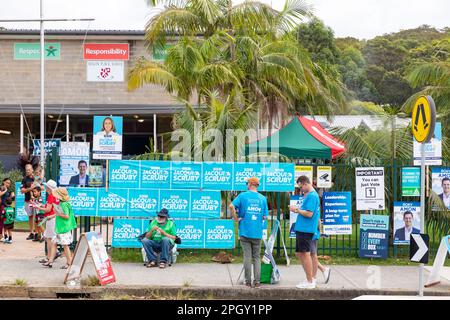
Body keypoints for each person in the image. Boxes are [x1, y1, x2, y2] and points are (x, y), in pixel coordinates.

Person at [229, 177, 268, 288]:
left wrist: (236, 218)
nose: (246, 185)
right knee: (256, 257)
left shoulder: (243, 196)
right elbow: (265, 216)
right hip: (257, 232)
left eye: (247, 183)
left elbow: (231, 206)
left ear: (250, 184)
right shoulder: (262, 198)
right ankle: (257, 282)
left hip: (245, 231)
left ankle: (247, 281)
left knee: (247, 256)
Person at [289, 175, 320, 289]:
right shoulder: (310, 195)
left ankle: (310, 281)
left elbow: (309, 214)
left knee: (305, 254)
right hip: (302, 228)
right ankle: (310, 278)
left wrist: (295, 210)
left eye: (301, 186)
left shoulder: (312, 196)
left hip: (306, 229)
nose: (300, 189)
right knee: (300, 253)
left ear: (305, 183)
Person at [43, 187, 76, 269]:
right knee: (54, 243)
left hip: (63, 228)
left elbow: (66, 216)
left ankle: (69, 263)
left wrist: (57, 213)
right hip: (60, 227)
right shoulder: (64, 203)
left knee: (65, 245)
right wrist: (54, 214)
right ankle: (50, 261)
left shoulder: (64, 204)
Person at [35, 180, 59, 265]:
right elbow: (51, 207)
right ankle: (49, 257)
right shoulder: (56, 195)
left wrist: (38, 207)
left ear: (49, 188)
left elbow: (48, 209)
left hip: (50, 218)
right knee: (49, 238)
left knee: (50, 239)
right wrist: (41, 206)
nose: (45, 188)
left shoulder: (51, 196)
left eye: (47, 187)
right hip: (53, 218)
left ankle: (51, 257)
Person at [20, 164, 36, 240]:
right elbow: (22, 190)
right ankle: (32, 233)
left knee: (37, 217)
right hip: (28, 201)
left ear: (32, 170)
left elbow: (42, 188)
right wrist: (30, 188)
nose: (28, 171)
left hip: (36, 201)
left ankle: (38, 233)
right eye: (26, 170)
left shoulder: (36, 178)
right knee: (30, 216)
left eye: (29, 170)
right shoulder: (24, 179)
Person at [0, 178, 15, 242]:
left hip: (7, 207)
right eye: (7, 182)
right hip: (2, 206)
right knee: (1, 221)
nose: (8, 184)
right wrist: (5, 191)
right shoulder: (1, 188)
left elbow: (10, 200)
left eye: (9, 183)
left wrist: (12, 196)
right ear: (3, 182)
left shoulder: (9, 190)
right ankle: (1, 236)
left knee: (6, 221)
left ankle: (6, 236)